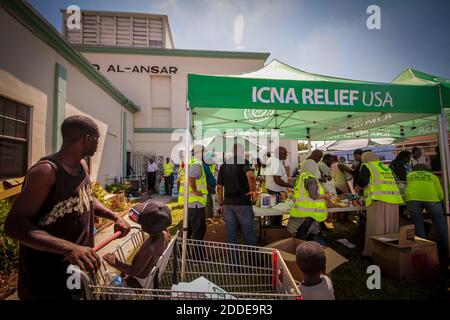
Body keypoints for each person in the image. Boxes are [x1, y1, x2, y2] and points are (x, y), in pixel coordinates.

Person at [4, 115, 130, 300]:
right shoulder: (46, 172)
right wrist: (70, 248)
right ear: (87, 139)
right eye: (96, 139)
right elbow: (14, 225)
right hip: (46, 281)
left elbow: (87, 198)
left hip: (76, 272)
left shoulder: (82, 166)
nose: (97, 144)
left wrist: (115, 216)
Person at [103, 200, 171, 288]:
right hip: (150, 277)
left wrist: (115, 262)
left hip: (138, 283)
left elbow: (135, 271)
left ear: (146, 226)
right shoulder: (165, 234)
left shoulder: (151, 248)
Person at [356, 152, 403, 257]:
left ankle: (375, 252)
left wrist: (358, 188)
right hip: (393, 199)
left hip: (378, 200)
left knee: (376, 226)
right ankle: (391, 251)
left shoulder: (367, 165)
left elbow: (363, 181)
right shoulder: (384, 167)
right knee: (390, 226)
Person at [405, 164, 449, 258]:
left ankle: (424, 251)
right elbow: (440, 194)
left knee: (418, 224)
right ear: (427, 170)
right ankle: (447, 251)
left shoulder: (409, 175)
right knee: (440, 224)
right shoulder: (433, 176)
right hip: (431, 199)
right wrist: (441, 201)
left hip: (412, 198)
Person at [217, 144, 257, 245]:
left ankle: (233, 260)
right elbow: (251, 176)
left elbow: (219, 187)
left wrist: (221, 203)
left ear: (232, 152)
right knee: (249, 235)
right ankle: (253, 259)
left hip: (228, 204)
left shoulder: (223, 165)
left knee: (231, 235)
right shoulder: (244, 162)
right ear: (242, 152)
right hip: (243, 203)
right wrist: (253, 191)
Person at [288, 155, 331, 243]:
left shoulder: (302, 177)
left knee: (302, 233)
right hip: (309, 213)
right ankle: (300, 251)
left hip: (301, 211)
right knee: (303, 235)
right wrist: (325, 196)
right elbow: (314, 195)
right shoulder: (311, 178)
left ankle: (299, 248)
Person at [177, 145, 208, 240]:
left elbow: (178, 180)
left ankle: (185, 252)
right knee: (199, 231)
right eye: (204, 152)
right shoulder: (196, 163)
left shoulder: (188, 163)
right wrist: (194, 191)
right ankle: (197, 254)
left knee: (188, 230)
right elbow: (191, 177)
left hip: (188, 203)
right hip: (196, 204)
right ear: (200, 152)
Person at [265, 146, 294, 226]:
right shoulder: (275, 162)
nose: (286, 155)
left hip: (273, 189)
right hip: (276, 190)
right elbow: (277, 180)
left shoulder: (274, 160)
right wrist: (290, 186)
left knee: (275, 211)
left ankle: (274, 228)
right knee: (277, 212)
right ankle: (275, 230)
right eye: (284, 154)